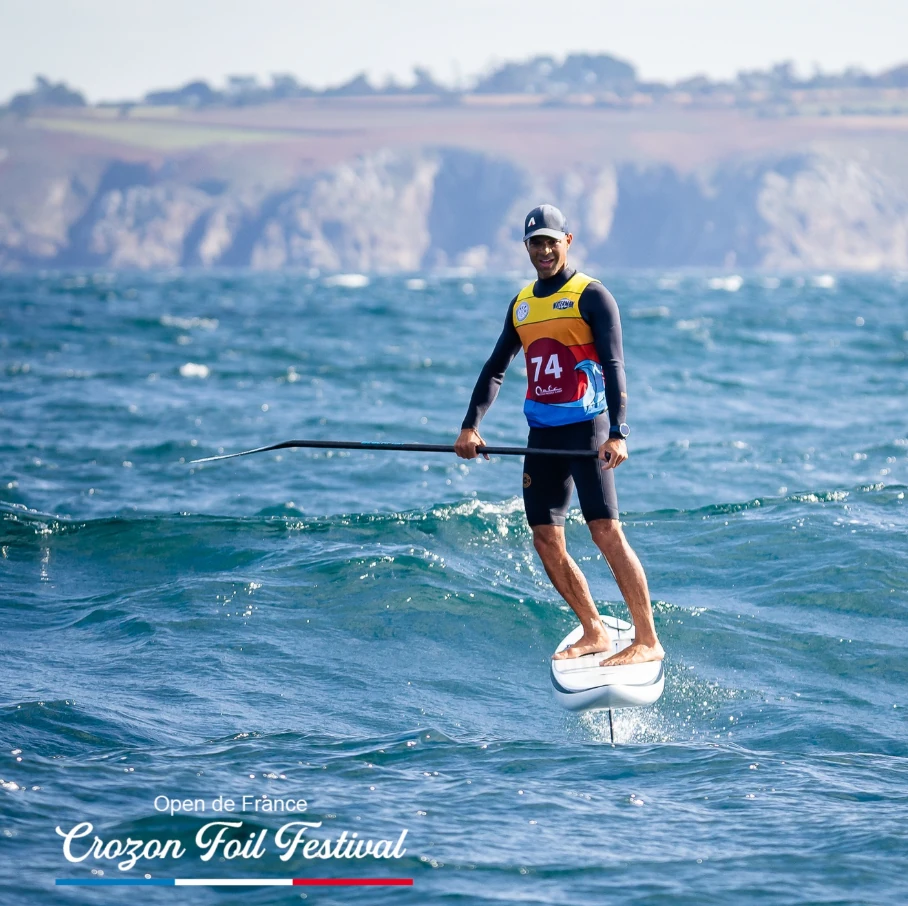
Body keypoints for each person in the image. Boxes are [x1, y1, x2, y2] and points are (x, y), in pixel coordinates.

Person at [454, 204, 664, 667]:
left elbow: (613, 367)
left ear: (568, 241)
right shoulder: (522, 304)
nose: (544, 250)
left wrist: (619, 431)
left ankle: (647, 638)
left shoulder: (592, 295)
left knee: (605, 531)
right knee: (545, 538)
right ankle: (594, 630)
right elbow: (496, 369)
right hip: (541, 435)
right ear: (526, 247)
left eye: (552, 241)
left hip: (587, 432)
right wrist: (471, 426)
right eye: (535, 242)